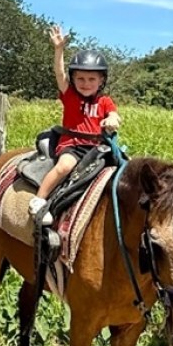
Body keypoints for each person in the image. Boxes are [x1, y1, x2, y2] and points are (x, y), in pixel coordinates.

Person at [27, 26, 120, 227]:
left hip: (97, 147)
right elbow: (59, 74)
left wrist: (112, 120)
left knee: (123, 170)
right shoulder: (69, 95)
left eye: (91, 79)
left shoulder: (104, 101)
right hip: (73, 144)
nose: (85, 83)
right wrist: (58, 49)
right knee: (65, 166)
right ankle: (40, 199)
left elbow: (113, 114)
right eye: (80, 78)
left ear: (101, 80)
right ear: (74, 79)